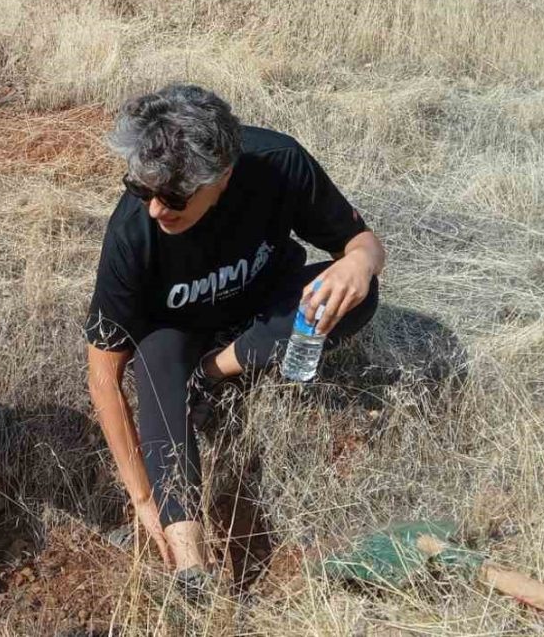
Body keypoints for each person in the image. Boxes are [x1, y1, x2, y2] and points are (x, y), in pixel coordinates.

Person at [84, 85, 385, 594]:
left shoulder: (278, 162)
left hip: (261, 304)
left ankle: (214, 372)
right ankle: (190, 567)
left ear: (222, 176)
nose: (157, 208)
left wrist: (360, 263)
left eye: (175, 196)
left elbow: (360, 243)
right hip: (173, 330)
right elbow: (103, 374)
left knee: (360, 296)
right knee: (156, 364)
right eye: (143, 189)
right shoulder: (132, 232)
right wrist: (142, 499)